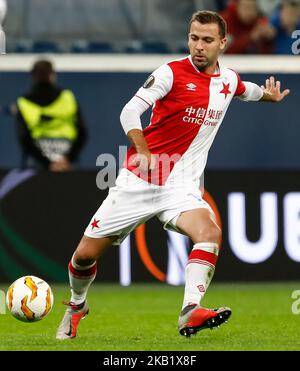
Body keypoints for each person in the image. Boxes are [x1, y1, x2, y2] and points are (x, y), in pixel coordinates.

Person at [56, 10, 289, 340]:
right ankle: (77, 304)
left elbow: (246, 89)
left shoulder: (228, 80)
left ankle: (190, 310)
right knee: (83, 258)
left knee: (209, 232)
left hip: (180, 187)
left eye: (207, 40)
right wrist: (144, 149)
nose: (198, 46)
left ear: (223, 43)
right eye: (194, 38)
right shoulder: (170, 73)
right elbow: (130, 110)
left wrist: (270, 96)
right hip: (138, 180)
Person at [15, 59, 87, 171]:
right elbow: (83, 132)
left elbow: (24, 139)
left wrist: (47, 163)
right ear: (52, 75)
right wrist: (67, 159)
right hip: (66, 162)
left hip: (37, 164)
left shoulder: (23, 102)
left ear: (33, 76)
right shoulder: (67, 97)